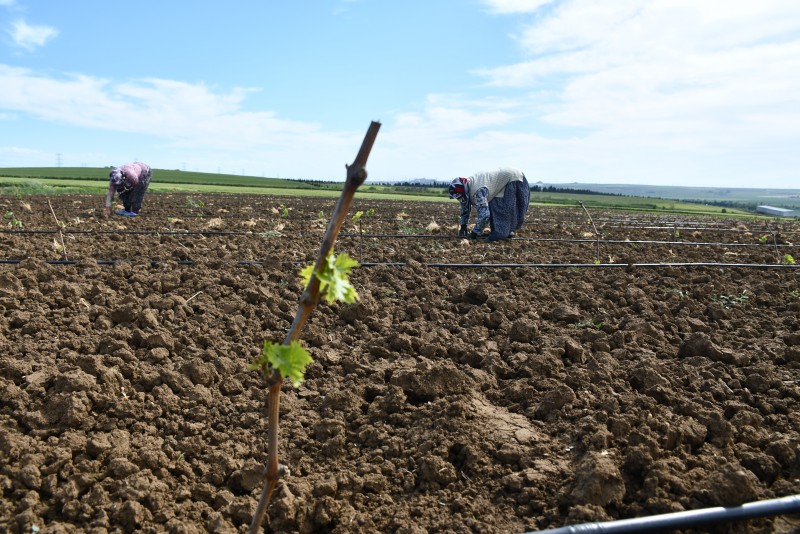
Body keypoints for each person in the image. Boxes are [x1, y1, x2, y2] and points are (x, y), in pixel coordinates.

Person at [449, 167, 530, 242]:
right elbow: (465, 206)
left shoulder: (477, 191)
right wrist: (463, 225)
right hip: (510, 177)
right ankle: (504, 232)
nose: (459, 199)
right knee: (493, 204)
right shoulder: (467, 186)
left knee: (499, 208)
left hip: (513, 179)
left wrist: (475, 232)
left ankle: (500, 234)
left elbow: (485, 215)